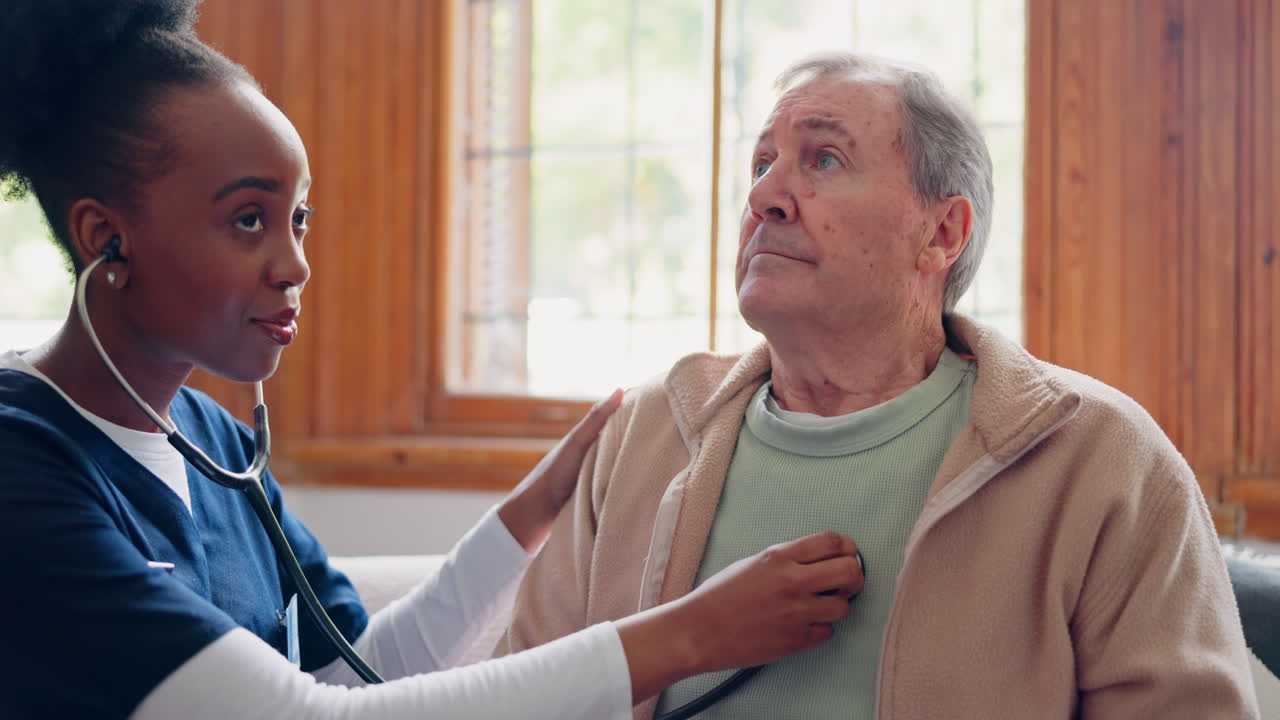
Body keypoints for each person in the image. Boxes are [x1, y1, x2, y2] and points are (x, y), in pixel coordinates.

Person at [0, 3, 867, 718]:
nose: (295, 266)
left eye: (298, 220)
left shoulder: (218, 449)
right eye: (247, 220)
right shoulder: (22, 469)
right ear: (104, 236)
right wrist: (690, 636)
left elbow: (358, 669)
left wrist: (536, 509)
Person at [497, 52, 1261, 718]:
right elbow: (511, 697)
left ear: (941, 234)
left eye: (823, 159)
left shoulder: (1102, 460)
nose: (765, 197)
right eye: (762, 164)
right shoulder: (647, 433)